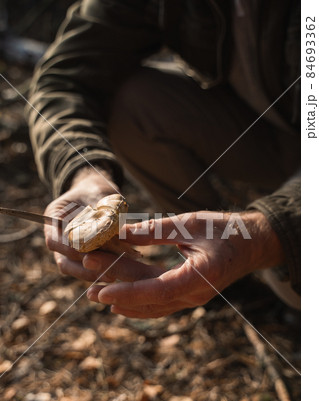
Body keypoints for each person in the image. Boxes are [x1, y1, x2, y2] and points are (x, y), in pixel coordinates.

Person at [27, 0, 301, 317]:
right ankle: (213, 270)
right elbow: (64, 78)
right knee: (132, 102)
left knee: (295, 286)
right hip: (268, 131)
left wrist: (270, 232)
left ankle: (237, 260)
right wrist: (83, 171)